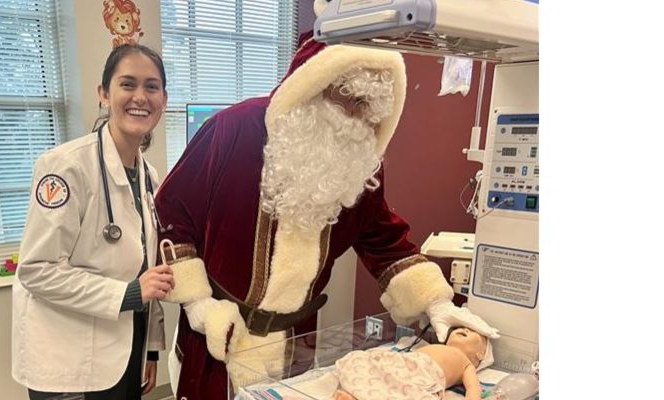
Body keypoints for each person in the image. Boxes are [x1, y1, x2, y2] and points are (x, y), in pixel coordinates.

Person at [154, 22, 499, 400]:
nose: (349, 118)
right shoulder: (231, 130)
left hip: (297, 345)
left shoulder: (359, 162)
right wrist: (198, 304)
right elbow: (172, 211)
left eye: (364, 106)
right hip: (219, 335)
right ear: (311, 86)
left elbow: (383, 239)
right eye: (342, 97)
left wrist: (437, 301)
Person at [11, 43, 175, 400]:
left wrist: (149, 349)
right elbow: (37, 269)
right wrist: (128, 293)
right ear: (104, 94)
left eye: (151, 87)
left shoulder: (149, 178)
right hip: (68, 360)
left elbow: (148, 271)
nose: (140, 97)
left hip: (125, 350)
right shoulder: (65, 167)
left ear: (164, 99)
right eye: (127, 84)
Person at [333, 327, 492, 400]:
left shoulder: (466, 364)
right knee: (362, 360)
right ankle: (355, 393)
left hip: (424, 375)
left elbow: (473, 388)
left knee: (405, 392)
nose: (466, 329)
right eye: (464, 328)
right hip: (402, 363)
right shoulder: (435, 346)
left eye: (473, 333)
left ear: (480, 354)